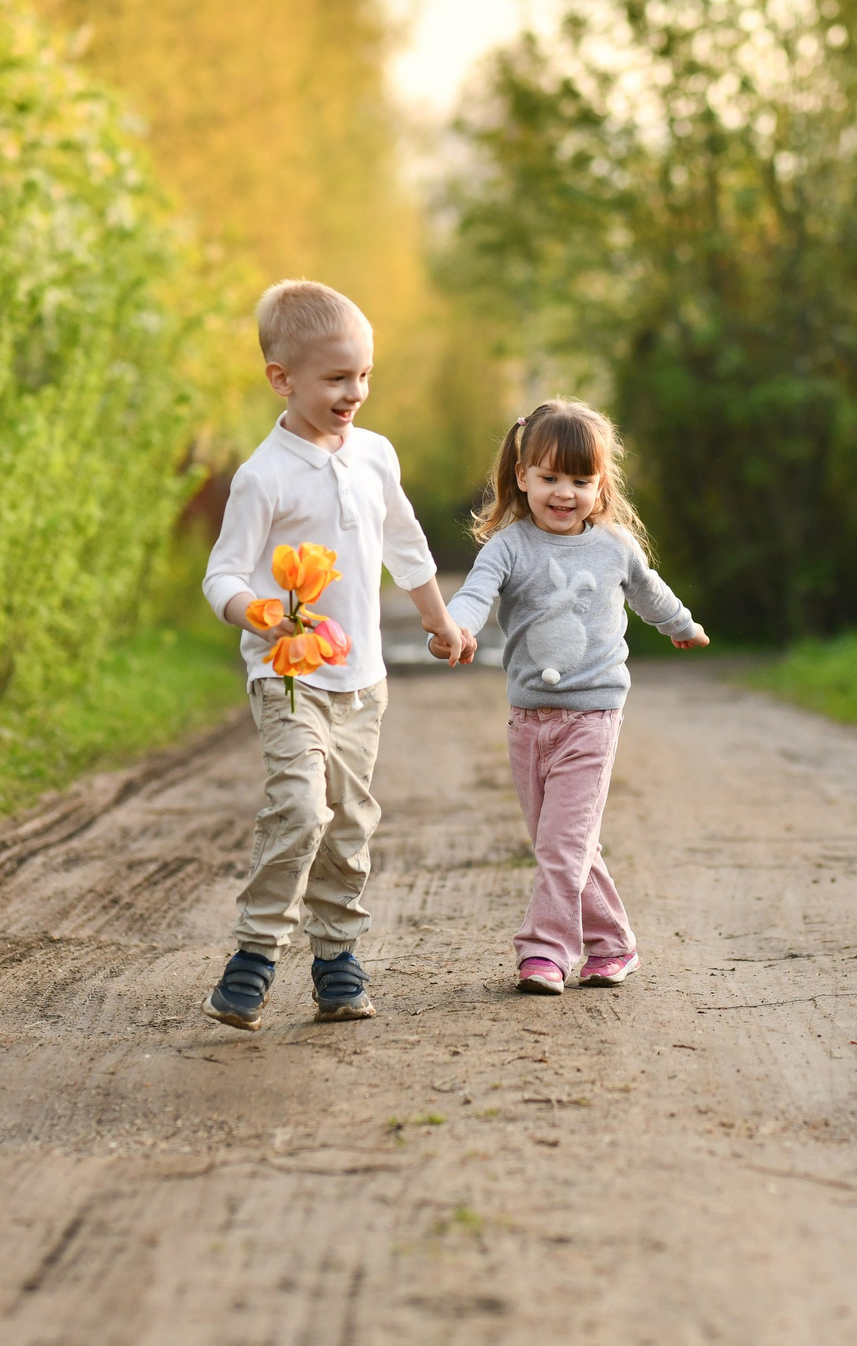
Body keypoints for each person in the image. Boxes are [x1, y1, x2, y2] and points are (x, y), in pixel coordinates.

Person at [200, 281, 476, 1031]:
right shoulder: (265, 474)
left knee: (350, 819)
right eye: (335, 378)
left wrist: (439, 620)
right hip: (287, 676)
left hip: (363, 683)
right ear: (281, 379)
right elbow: (222, 571)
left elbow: (405, 545)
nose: (354, 392)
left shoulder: (375, 456)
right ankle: (255, 954)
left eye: (363, 376)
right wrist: (253, 613)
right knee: (299, 806)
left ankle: (336, 959)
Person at [435, 400, 708, 995]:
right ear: (522, 476)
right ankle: (614, 945)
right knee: (564, 845)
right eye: (550, 478)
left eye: (581, 481)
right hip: (527, 721)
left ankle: (545, 953)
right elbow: (475, 593)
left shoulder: (612, 546)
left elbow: (650, 592)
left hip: (593, 716)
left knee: (562, 846)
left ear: (600, 483)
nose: (565, 493)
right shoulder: (508, 547)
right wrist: (457, 629)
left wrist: (682, 625)